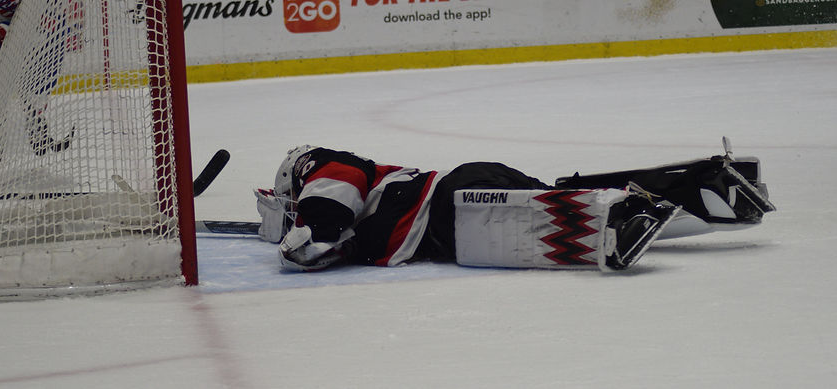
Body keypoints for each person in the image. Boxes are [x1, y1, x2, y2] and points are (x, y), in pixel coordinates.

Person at [256, 144, 774, 273]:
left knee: (565, 212)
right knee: (556, 198)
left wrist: (312, 231)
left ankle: (618, 217)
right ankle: (705, 188)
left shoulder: (323, 165)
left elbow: (335, 196)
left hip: (448, 206)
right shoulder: (334, 189)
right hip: (460, 197)